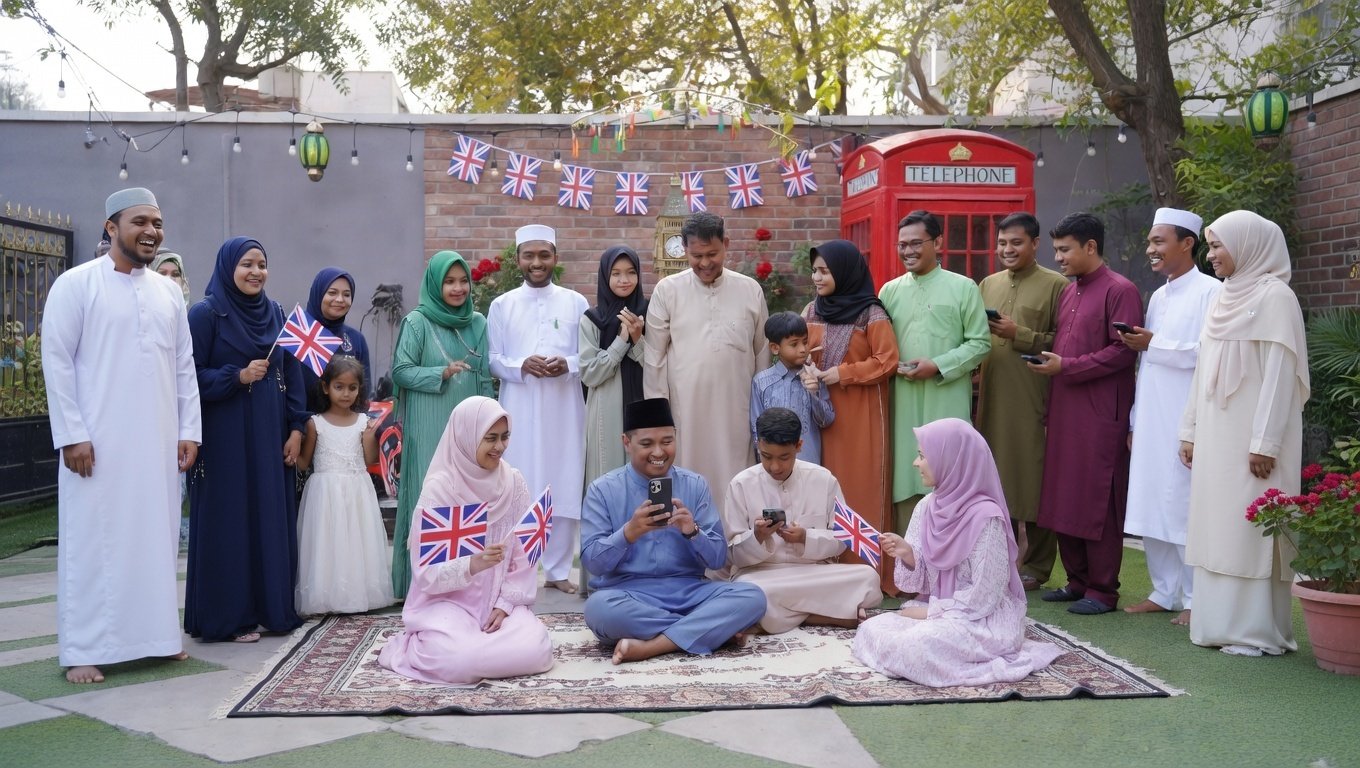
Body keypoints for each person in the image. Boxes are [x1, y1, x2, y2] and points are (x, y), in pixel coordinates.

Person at [42, 187, 201, 683]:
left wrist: (188, 430)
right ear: (111, 227)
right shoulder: (75, 285)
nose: (151, 231)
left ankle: (157, 637)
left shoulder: (168, 291)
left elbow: (183, 368)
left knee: (156, 538)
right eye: (140, 222)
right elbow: (57, 362)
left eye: (157, 222)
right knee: (93, 540)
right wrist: (71, 434)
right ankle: (83, 648)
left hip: (156, 441)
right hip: (97, 444)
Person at [1180, 210, 1308, 657]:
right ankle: (1216, 624)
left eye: (1218, 245)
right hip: (1217, 434)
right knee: (1217, 525)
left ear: (1249, 245)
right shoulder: (1222, 296)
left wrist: (1264, 443)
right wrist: (1190, 429)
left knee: (1249, 529)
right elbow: (1203, 368)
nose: (1210, 255)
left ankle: (1255, 632)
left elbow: (1280, 376)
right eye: (1210, 245)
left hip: (1254, 441)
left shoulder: (1276, 297)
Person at [852, 418, 1063, 687]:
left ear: (951, 460)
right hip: (942, 611)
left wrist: (928, 614)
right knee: (873, 628)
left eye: (922, 456)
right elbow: (924, 580)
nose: (916, 464)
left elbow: (985, 594)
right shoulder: (927, 506)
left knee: (917, 644)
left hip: (979, 619)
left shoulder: (986, 518)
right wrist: (907, 554)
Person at [379, 396, 554, 684]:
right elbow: (426, 572)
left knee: (538, 649)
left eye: (505, 437)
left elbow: (523, 554)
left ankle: (480, 650)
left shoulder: (513, 481)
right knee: (458, 661)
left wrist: (506, 604)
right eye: (490, 438)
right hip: (447, 605)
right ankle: (430, 647)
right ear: (465, 437)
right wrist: (472, 564)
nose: (500, 447)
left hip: (498, 602)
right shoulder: (441, 490)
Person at [185, 236, 307, 643]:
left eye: (262, 264)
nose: (256, 272)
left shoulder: (275, 312)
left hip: (269, 435)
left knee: (268, 517)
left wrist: (294, 428)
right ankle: (230, 617)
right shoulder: (205, 316)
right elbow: (187, 379)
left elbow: (291, 375)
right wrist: (235, 377)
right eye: (247, 264)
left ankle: (271, 609)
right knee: (231, 521)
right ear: (227, 268)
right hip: (225, 441)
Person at [582, 398, 766, 664]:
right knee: (598, 610)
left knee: (753, 597)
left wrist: (693, 532)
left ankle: (653, 646)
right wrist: (628, 533)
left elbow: (717, 560)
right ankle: (707, 631)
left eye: (667, 441)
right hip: (627, 595)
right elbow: (592, 564)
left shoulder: (695, 485)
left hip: (690, 593)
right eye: (647, 444)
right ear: (626, 442)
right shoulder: (602, 490)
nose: (659, 452)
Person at [1029, 213, 1143, 616]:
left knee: (1098, 498)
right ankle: (1076, 581)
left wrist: (1068, 368)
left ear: (1090, 247)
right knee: (1065, 495)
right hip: (1064, 409)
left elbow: (1123, 350)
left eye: (1064, 249)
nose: (1057, 257)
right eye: (1056, 250)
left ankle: (1102, 590)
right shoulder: (1070, 292)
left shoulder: (1120, 290)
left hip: (1099, 413)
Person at [1121, 208, 1221, 624]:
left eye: (1159, 241)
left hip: (1186, 416)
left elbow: (1209, 355)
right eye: (1150, 242)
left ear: (1187, 244)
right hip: (1150, 417)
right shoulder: (1159, 295)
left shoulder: (1212, 292)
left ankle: (1198, 599)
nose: (1151, 250)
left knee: (1181, 503)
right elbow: (1147, 364)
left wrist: (1153, 343)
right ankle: (1164, 592)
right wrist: (1133, 419)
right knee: (1149, 501)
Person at [644, 212, 769, 513]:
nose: (704, 263)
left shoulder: (750, 289)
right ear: (685, 249)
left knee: (737, 480)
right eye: (696, 255)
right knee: (688, 479)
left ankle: (736, 549)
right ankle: (690, 549)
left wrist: (761, 413)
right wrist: (660, 419)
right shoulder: (667, 290)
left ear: (726, 245)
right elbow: (654, 357)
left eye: (712, 254)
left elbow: (762, 352)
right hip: (685, 413)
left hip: (737, 411)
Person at [877, 211, 990, 544]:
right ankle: (906, 566)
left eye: (916, 243)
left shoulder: (963, 287)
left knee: (948, 472)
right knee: (904, 475)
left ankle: (951, 562)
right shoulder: (889, 291)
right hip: (902, 398)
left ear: (938, 242)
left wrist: (938, 365)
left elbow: (981, 343)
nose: (908, 251)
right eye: (902, 245)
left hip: (946, 396)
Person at [488, 224, 589, 594]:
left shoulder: (575, 302)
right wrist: (520, 366)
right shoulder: (502, 305)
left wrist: (569, 365)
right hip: (520, 404)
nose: (536, 262)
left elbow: (587, 355)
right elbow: (493, 360)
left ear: (555, 258)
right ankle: (521, 568)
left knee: (563, 478)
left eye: (544, 255)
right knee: (522, 481)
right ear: (517, 259)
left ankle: (560, 569)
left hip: (564, 405)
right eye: (528, 255)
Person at [974, 213, 1068, 592]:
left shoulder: (1056, 285)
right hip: (992, 394)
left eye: (1015, 243)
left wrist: (1020, 333)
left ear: (1034, 244)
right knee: (997, 477)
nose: (1007, 250)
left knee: (1035, 478)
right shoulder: (988, 283)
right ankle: (1003, 559)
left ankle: (1038, 566)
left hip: (1033, 394)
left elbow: (1065, 342)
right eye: (1002, 243)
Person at [390, 250, 492, 599]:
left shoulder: (477, 322)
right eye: (449, 281)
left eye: (463, 281)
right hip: (429, 423)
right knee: (430, 496)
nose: (458, 288)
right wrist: (440, 373)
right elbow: (401, 371)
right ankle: (422, 587)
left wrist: (491, 423)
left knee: (468, 497)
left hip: (470, 431)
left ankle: (466, 584)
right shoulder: (417, 322)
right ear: (435, 284)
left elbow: (486, 376)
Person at [723, 408, 880, 633]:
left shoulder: (823, 479)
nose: (775, 467)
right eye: (767, 457)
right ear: (758, 445)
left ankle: (775, 619)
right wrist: (756, 537)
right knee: (747, 590)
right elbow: (731, 555)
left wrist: (807, 538)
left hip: (813, 572)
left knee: (868, 578)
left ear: (798, 446)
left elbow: (841, 540)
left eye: (784, 457)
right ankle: (820, 615)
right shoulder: (741, 484)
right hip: (761, 575)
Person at [802, 240, 899, 593]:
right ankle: (826, 575)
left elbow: (887, 360)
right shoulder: (811, 310)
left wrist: (840, 374)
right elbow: (796, 349)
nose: (817, 277)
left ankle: (865, 577)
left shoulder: (871, 313)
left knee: (858, 488)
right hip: (817, 412)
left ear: (844, 272)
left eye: (825, 271)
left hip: (860, 415)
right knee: (822, 490)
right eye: (814, 270)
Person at [294, 356, 395, 616]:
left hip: (357, 490)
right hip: (325, 493)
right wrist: (291, 452)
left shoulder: (364, 423)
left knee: (356, 541)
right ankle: (326, 596)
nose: (346, 393)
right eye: (339, 386)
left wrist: (371, 436)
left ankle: (356, 594)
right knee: (328, 543)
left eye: (352, 388)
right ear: (326, 387)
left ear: (359, 389)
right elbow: (304, 463)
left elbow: (370, 459)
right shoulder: (314, 423)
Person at [581, 245, 648, 489]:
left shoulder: (650, 313)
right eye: (616, 273)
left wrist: (639, 338)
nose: (624, 280)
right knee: (607, 477)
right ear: (605, 276)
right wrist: (621, 341)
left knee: (645, 473)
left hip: (644, 404)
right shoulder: (591, 319)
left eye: (630, 272)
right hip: (605, 409)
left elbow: (659, 366)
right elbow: (590, 373)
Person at [749, 312, 834, 463]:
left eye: (805, 342)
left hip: (809, 463)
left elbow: (826, 420)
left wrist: (813, 394)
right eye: (794, 344)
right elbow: (757, 428)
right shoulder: (761, 382)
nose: (803, 349)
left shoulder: (814, 376)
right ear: (775, 348)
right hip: (773, 467)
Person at [301, 268, 372, 414]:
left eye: (347, 294)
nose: (340, 299)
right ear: (319, 294)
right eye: (332, 293)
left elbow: (363, 390)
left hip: (345, 429)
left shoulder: (356, 339)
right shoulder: (297, 335)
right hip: (303, 429)